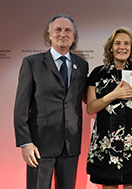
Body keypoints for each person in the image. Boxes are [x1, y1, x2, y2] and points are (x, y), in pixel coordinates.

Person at [13, 14, 89, 189]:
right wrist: (25, 143)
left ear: (74, 36)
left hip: (70, 144)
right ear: (49, 35)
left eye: (68, 30)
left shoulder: (82, 65)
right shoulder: (32, 63)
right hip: (39, 145)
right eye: (58, 30)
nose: (63, 34)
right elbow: (21, 107)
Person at [86, 27, 132, 189]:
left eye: (126, 43)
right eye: (117, 43)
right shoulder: (98, 73)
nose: (122, 47)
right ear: (111, 47)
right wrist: (114, 95)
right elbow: (90, 108)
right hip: (105, 142)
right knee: (108, 186)